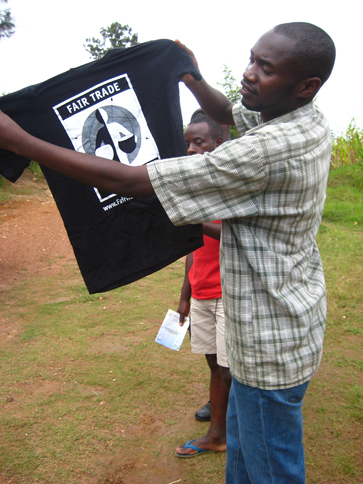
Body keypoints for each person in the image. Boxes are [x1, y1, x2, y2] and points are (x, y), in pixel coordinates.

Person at [0, 21, 336, 483]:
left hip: (267, 340)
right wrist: (190, 74)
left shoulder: (269, 151)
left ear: (305, 85)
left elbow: (132, 181)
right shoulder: (303, 116)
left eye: (266, 68)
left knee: (271, 470)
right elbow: (229, 115)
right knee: (244, 457)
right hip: (280, 317)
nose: (249, 74)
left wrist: (21, 142)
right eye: (252, 59)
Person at [176, 114, 231, 457]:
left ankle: (218, 435)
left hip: (228, 293)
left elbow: (235, 236)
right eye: (187, 144)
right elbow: (192, 248)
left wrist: (194, 219)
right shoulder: (193, 190)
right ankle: (220, 405)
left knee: (226, 367)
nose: (192, 149)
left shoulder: (230, 187)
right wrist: (184, 295)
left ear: (218, 145)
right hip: (201, 292)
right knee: (214, 364)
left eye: (200, 142)